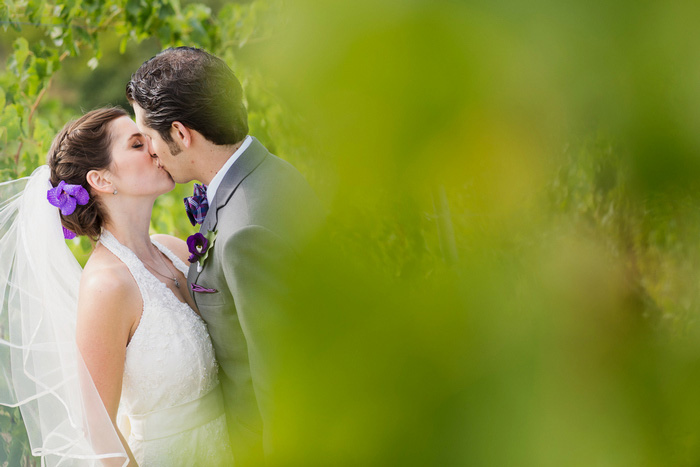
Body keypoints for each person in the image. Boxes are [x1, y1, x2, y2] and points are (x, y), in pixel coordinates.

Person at [0, 107, 234, 466]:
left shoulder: (172, 249)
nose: (155, 148)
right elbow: (98, 434)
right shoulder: (106, 287)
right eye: (138, 144)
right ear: (103, 180)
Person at [126, 47, 325, 464]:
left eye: (148, 135)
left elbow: (284, 388)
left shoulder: (244, 232)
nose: (150, 150)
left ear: (180, 134)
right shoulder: (271, 173)